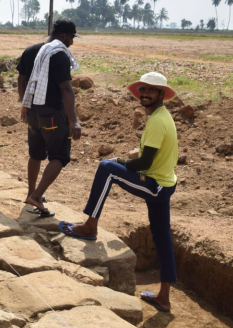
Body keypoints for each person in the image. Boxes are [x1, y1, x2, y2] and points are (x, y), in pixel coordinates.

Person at [59, 72, 179, 313]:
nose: (145, 94)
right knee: (161, 235)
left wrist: (121, 160)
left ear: (162, 94)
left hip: (155, 184)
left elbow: (144, 162)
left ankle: (90, 226)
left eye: (151, 91)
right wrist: (128, 159)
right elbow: (148, 154)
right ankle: (164, 297)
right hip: (164, 183)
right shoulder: (161, 116)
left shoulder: (157, 120)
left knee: (107, 168)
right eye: (142, 90)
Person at [19, 18, 82, 217]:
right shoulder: (60, 54)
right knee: (60, 155)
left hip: (33, 111)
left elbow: (22, 79)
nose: (71, 42)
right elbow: (66, 89)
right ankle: (36, 196)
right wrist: (73, 120)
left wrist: (24, 104)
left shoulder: (32, 51)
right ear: (63, 35)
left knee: (36, 153)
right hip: (52, 113)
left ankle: (31, 191)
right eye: (71, 37)